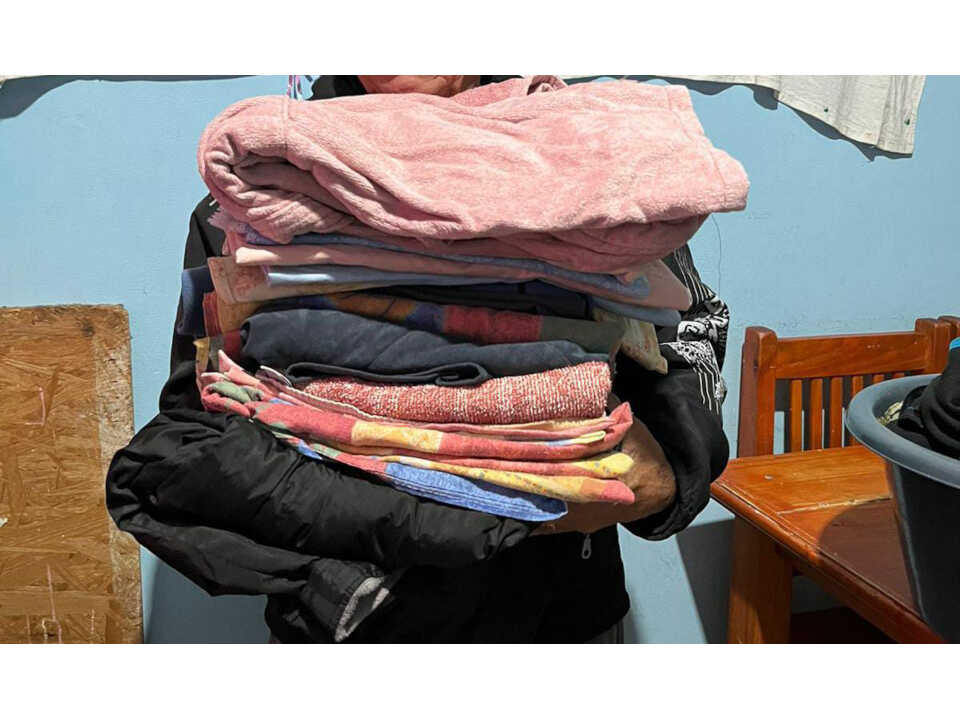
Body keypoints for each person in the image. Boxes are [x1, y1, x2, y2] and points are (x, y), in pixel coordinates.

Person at [106, 75, 729, 643]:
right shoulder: (261, 192)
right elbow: (205, 421)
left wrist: (671, 471)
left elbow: (686, 340)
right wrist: (356, 574)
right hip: (361, 629)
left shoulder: (593, 165)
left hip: (561, 614)